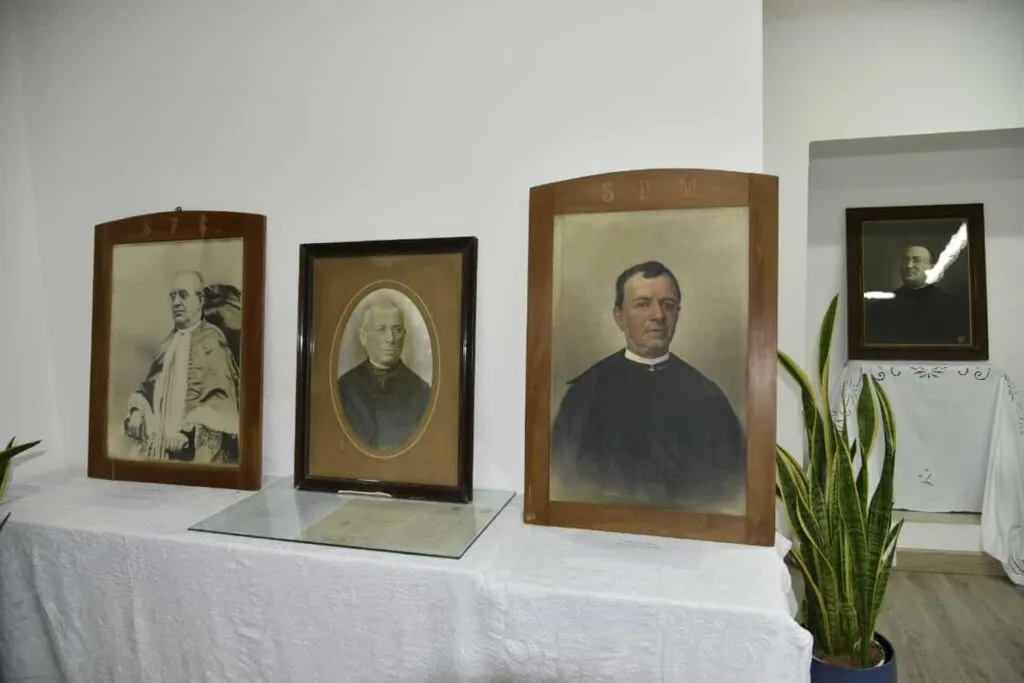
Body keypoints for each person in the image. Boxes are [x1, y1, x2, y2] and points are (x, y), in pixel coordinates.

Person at [550, 260, 747, 511]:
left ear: (677, 315)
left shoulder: (709, 397)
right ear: (619, 317)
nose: (658, 316)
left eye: (668, 305)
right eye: (643, 304)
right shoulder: (585, 394)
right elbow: (564, 483)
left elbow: (732, 488)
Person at [123, 270, 241, 463]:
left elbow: (220, 401)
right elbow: (149, 388)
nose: (176, 302)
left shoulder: (212, 341)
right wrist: (137, 412)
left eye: (183, 295)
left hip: (190, 453)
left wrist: (188, 433)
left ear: (200, 301)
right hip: (160, 449)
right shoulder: (168, 345)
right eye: (173, 296)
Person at [337, 293, 431, 451]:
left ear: (404, 335)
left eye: (397, 329)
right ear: (363, 337)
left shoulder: (423, 393)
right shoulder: (343, 388)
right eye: (381, 329)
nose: (390, 338)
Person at [864, 245, 971, 345]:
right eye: (906, 260)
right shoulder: (882, 306)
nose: (909, 265)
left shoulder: (952, 306)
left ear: (932, 267)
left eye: (917, 260)